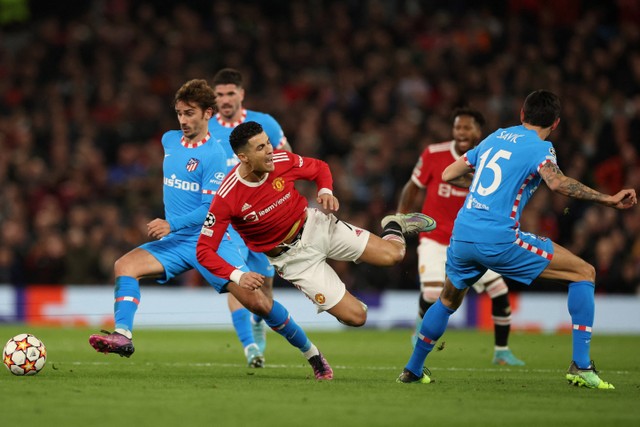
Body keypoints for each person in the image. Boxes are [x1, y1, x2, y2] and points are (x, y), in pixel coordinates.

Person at [89, 79, 333, 380]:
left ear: (207, 114)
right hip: (178, 242)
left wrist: (172, 223)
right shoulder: (168, 140)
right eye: (179, 113)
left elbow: (210, 208)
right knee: (124, 265)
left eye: (190, 113)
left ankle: (313, 354)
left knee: (258, 303)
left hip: (211, 240)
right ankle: (123, 336)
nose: (183, 120)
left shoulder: (215, 155)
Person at [396, 90, 637, 389]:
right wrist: (608, 199)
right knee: (583, 272)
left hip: (462, 235)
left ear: (522, 115)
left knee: (447, 300)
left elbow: (447, 174)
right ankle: (581, 365)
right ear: (556, 123)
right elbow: (558, 183)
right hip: (499, 239)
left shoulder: (496, 136)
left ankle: (413, 369)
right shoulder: (541, 148)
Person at [196, 120, 436, 329]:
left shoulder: (281, 159)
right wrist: (238, 276)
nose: (270, 151)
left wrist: (325, 189)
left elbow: (319, 167)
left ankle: (393, 224)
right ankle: (337, 300)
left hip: (316, 226)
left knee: (394, 256)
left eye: (268, 142)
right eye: (261, 148)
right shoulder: (227, 197)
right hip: (294, 261)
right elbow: (204, 250)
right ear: (243, 157)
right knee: (357, 317)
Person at [396, 107, 524, 366]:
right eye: (457, 127)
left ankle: (502, 351)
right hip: (434, 237)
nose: (461, 132)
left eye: (467, 128)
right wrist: (401, 219)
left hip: (472, 239)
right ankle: (420, 331)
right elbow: (413, 186)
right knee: (432, 294)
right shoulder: (434, 154)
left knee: (499, 289)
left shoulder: (491, 158)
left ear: (479, 131)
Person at [208, 68, 291, 366]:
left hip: (260, 221)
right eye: (219, 95)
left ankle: (258, 324)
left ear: (242, 94)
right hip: (227, 222)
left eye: (230, 93)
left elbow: (286, 159)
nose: (225, 100)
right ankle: (250, 348)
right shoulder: (206, 130)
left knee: (264, 287)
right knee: (238, 279)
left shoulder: (264, 123)